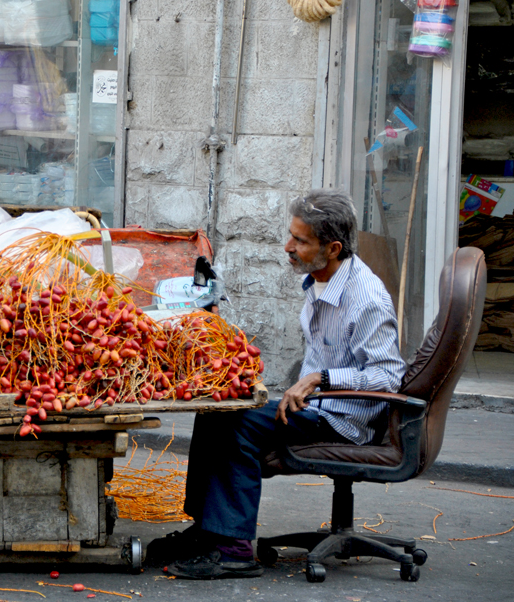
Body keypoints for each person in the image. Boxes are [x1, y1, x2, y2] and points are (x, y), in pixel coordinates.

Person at [146, 189, 407, 580]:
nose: (288, 247)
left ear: (332, 247)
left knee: (239, 423)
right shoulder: (321, 280)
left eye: (301, 241)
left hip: (344, 419)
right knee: (218, 407)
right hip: (318, 405)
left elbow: (389, 375)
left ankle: (233, 549)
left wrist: (320, 379)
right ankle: (207, 531)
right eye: (291, 235)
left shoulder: (366, 298)